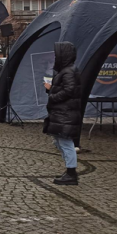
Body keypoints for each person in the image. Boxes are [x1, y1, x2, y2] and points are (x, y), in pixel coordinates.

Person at [43, 41, 82, 185]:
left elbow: (69, 90)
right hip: (62, 112)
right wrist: (50, 89)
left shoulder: (68, 71)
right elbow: (66, 89)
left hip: (65, 113)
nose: (55, 57)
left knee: (66, 143)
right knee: (59, 141)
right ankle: (70, 170)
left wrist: (52, 96)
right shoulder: (66, 71)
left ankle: (71, 173)